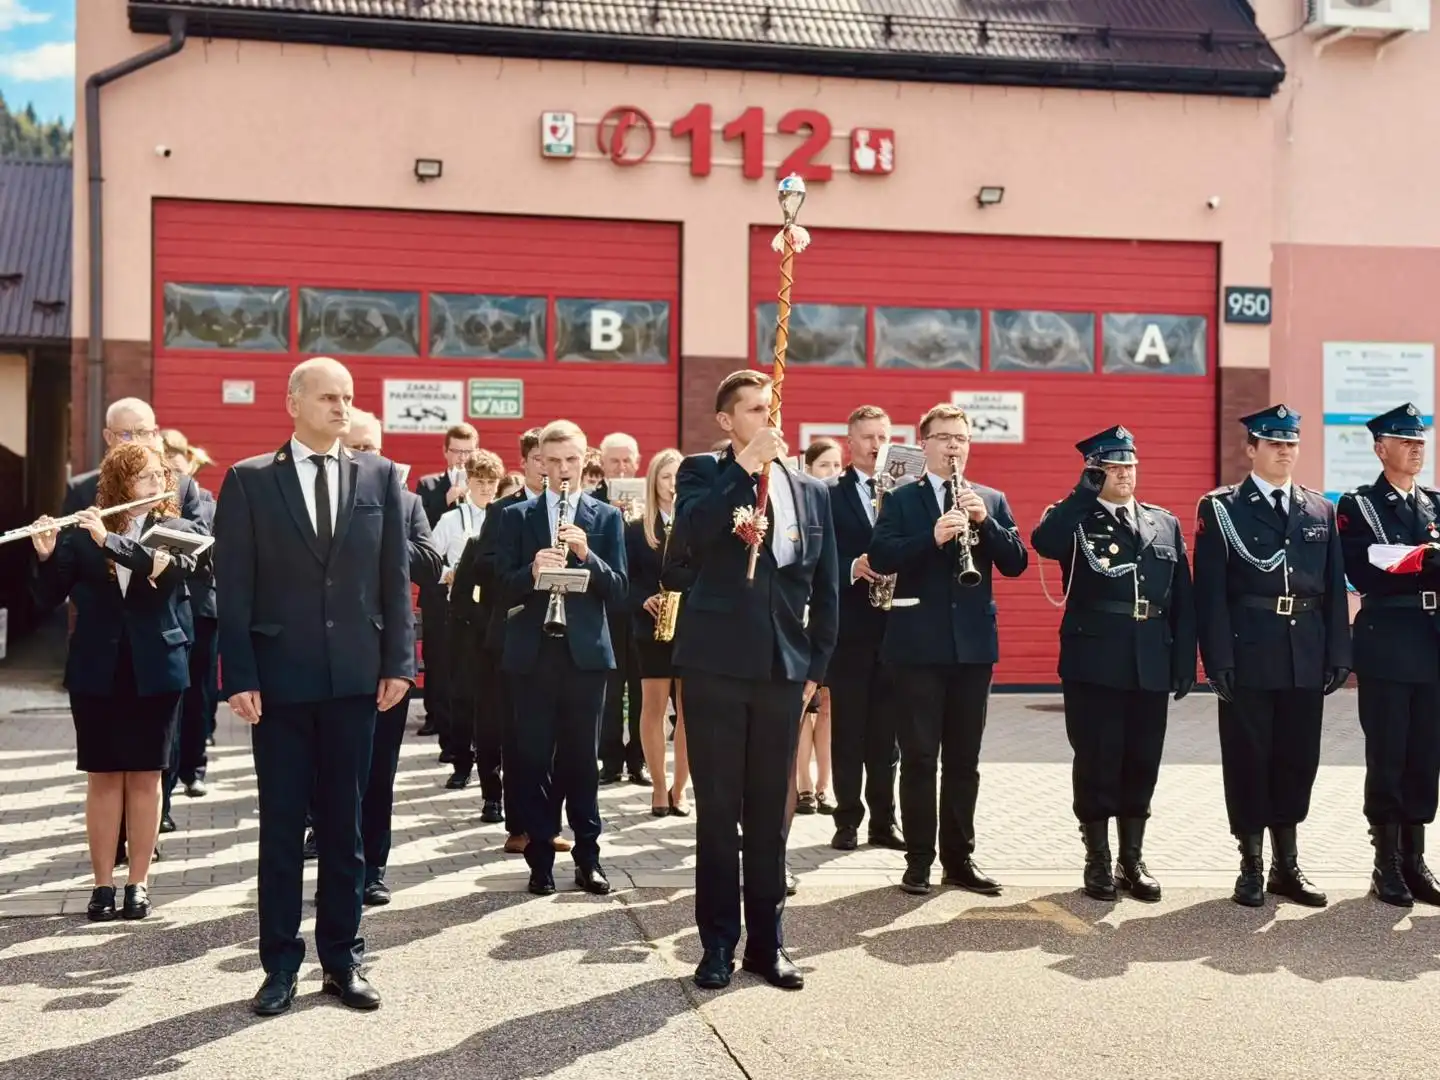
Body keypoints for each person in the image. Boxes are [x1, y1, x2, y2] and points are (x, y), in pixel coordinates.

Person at [215, 357, 414, 1017]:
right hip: (279, 685)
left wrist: (399, 662)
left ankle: (343, 960)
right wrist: (238, 674)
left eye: (348, 398)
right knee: (280, 830)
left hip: (356, 682)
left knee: (345, 829)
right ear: (293, 403)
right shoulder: (247, 482)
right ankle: (278, 966)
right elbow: (233, 587)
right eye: (328, 397)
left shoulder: (380, 477)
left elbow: (393, 580)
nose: (341, 407)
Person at [669, 369, 839, 992]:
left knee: (772, 815)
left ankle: (768, 944)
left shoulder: (811, 493)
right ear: (726, 421)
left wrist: (814, 670)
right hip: (715, 667)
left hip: (781, 673)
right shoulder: (702, 474)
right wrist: (743, 467)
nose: (770, 419)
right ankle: (716, 944)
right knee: (718, 811)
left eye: (774, 408)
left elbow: (825, 590)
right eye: (754, 410)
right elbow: (686, 541)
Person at [29, 442, 202, 922]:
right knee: (103, 776)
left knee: (146, 776)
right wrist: (46, 555)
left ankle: (138, 883)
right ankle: (103, 884)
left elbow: (164, 576)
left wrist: (110, 540)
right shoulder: (84, 533)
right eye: (143, 477)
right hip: (96, 668)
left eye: (159, 477)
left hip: (157, 667)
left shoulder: (180, 531)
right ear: (120, 483)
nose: (155, 485)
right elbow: (47, 599)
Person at [869, 402, 1028, 898]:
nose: (954, 446)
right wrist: (930, 537)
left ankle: (959, 860)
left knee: (965, 760)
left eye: (961, 437)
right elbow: (880, 555)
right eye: (944, 437)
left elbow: (1018, 562)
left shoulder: (991, 498)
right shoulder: (901, 499)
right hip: (917, 644)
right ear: (925, 444)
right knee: (918, 757)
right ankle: (919, 860)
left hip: (973, 648)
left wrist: (986, 524)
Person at [1195, 406, 1351, 909]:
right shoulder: (1222, 508)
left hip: (1304, 652)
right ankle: (1251, 864)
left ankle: (1288, 864)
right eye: (1273, 442)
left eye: (1291, 443)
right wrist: (1216, 658)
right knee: (1248, 759)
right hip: (1249, 652)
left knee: (1297, 759)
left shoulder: (1319, 510)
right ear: (1251, 449)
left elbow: (1331, 589)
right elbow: (1211, 593)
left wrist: (1337, 653)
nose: (1284, 450)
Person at [1032, 425, 1196, 902]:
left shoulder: (1162, 522)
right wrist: (1081, 494)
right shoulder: (1075, 519)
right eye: (1113, 466)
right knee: (1098, 759)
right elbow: (1044, 542)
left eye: (1129, 465)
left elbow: (1181, 597)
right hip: (1095, 660)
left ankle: (1132, 858)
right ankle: (1098, 858)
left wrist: (1185, 659)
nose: (1125, 474)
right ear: (1093, 471)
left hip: (1151, 659)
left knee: (1142, 760)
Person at [494, 419, 627, 896]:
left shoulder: (606, 517)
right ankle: (540, 860)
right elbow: (495, 586)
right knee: (532, 760)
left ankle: (589, 857)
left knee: (581, 761)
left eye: (572, 460)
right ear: (539, 464)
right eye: (553, 461)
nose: (563, 469)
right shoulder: (515, 517)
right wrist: (531, 571)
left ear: (583, 459)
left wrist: (587, 557)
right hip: (532, 653)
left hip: (585, 656)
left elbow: (620, 590)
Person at [1337, 402, 1440, 908]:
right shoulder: (1360, 506)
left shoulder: (1435, 504)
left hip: (1432, 641)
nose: (1416, 449)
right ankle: (1385, 865)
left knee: (1425, 755)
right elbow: (1368, 567)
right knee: (1389, 754)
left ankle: (1415, 860)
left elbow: (1408, 561)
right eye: (1405, 441)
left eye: (1420, 441)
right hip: (1387, 639)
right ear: (1381, 449)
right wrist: (1425, 559)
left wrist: (1417, 561)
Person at [341, 411, 443, 907]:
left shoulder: (406, 503)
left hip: (385, 659)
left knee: (379, 771)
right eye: (356, 447)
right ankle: (338, 864)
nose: (367, 457)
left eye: (374, 448)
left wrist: (381, 531)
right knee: (334, 772)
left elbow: (429, 562)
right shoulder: (321, 499)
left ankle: (373, 868)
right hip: (332, 657)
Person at [467, 429, 571, 854]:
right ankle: (519, 824)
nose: (552, 468)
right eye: (541, 459)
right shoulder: (504, 510)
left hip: (563, 636)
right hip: (515, 633)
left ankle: (551, 822)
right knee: (517, 735)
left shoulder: (572, 509)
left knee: (558, 737)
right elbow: (486, 567)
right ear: (530, 462)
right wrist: (532, 566)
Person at [826, 407, 905, 853]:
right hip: (851, 630)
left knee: (886, 734)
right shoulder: (828, 494)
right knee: (849, 731)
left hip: (897, 629)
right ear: (849, 442)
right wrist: (851, 567)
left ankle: (883, 821)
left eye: (883, 436)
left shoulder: (905, 493)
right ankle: (847, 820)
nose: (876, 444)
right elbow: (817, 560)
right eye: (868, 437)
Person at [624, 447, 693, 816]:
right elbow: (627, 577)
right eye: (665, 477)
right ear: (654, 481)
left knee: (687, 710)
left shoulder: (695, 523)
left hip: (690, 626)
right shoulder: (636, 528)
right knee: (652, 707)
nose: (672, 484)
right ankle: (657, 786)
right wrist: (642, 600)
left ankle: (680, 788)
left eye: (678, 476)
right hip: (650, 626)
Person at [434, 449, 505, 794]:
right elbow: (428, 556)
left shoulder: (504, 516)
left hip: (493, 614)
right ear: (468, 483)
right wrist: (447, 573)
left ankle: (494, 763)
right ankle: (461, 761)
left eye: (492, 483)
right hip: (462, 614)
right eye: (480, 482)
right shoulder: (452, 519)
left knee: (494, 697)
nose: (487, 489)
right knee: (462, 692)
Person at [160, 429, 216, 809]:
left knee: (200, 695)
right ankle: (169, 776)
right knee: (174, 700)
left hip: (202, 608)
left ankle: (194, 768)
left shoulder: (207, 500)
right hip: (169, 609)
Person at [414, 424, 480, 739]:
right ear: (445, 451)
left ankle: (463, 719)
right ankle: (435, 716)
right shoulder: (428, 486)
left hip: (472, 591)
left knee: (466, 655)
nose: (462, 458)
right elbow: (421, 531)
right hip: (438, 588)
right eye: (456, 451)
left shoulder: (481, 485)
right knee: (437, 654)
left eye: (468, 452)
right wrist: (447, 499)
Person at [795, 438, 842, 815]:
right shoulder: (801, 504)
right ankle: (803, 785)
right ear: (808, 468)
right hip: (799, 620)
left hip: (828, 621)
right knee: (799, 710)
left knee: (825, 709)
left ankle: (826, 785)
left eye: (836, 465)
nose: (832, 472)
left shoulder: (840, 506)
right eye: (824, 465)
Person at [597, 431, 646, 786]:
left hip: (643, 611)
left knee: (643, 691)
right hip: (608, 610)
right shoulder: (592, 503)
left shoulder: (653, 504)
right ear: (601, 463)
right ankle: (610, 761)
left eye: (627, 459)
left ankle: (639, 760)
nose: (621, 466)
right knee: (611, 691)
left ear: (638, 461)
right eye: (614, 460)